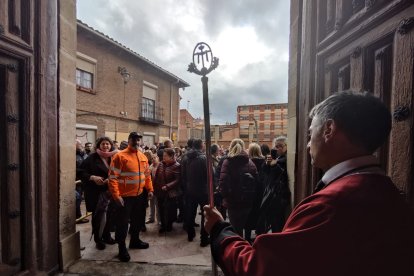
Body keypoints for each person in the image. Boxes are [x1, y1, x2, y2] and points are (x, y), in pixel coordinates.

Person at [204, 91, 414, 276]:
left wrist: (220, 230)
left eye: (311, 132)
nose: (307, 143)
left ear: (329, 129)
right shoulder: (385, 189)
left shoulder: (332, 204)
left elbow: (259, 268)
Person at [108, 132, 154, 262]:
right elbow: (112, 178)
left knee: (137, 221)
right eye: (134, 140)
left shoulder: (143, 156)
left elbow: (147, 175)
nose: (137, 142)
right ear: (129, 141)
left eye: (139, 140)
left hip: (139, 196)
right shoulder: (119, 156)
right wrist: (116, 196)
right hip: (124, 197)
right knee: (122, 224)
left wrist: (150, 189)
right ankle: (122, 248)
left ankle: (135, 241)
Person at [79, 137, 117, 250]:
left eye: (108, 144)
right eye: (103, 144)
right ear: (98, 146)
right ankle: (98, 239)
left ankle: (107, 236)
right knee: (99, 217)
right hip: (96, 193)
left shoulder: (114, 157)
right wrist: (92, 177)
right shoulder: (92, 158)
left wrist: (111, 179)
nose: (105, 146)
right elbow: (80, 172)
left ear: (111, 146)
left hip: (111, 192)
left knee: (109, 216)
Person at [218, 138, 258, 238]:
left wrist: (225, 197)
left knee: (236, 229)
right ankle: (245, 246)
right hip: (247, 202)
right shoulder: (250, 163)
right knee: (243, 225)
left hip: (233, 203)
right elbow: (256, 182)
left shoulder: (227, 162)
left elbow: (223, 183)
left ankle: (239, 250)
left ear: (231, 147)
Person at [256, 136, 290, 234]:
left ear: (286, 147)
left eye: (280, 146)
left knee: (277, 224)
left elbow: (281, 175)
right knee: (270, 222)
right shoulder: (276, 159)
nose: (277, 148)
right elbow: (264, 174)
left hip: (278, 196)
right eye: (276, 146)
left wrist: (274, 165)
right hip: (271, 194)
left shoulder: (285, 160)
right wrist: (267, 163)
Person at [181, 138, 209, 246]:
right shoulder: (203, 158)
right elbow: (208, 175)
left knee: (190, 213)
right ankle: (204, 239)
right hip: (202, 191)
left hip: (189, 190)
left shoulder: (185, 157)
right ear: (201, 146)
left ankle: (190, 234)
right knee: (205, 214)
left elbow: (182, 175)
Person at [153, 148, 181, 233]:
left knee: (170, 209)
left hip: (170, 192)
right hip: (160, 191)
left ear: (171, 156)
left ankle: (169, 224)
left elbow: (177, 180)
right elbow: (157, 176)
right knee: (161, 209)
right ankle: (163, 225)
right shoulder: (161, 164)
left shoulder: (177, 165)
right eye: (163, 156)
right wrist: (154, 188)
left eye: (165, 156)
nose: (163, 157)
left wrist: (167, 186)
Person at [75, 139, 89, 224]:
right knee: (77, 199)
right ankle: (77, 217)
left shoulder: (82, 154)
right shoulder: (71, 154)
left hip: (82, 180)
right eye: (79, 144)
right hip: (76, 180)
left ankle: (78, 216)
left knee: (79, 199)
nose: (81, 145)